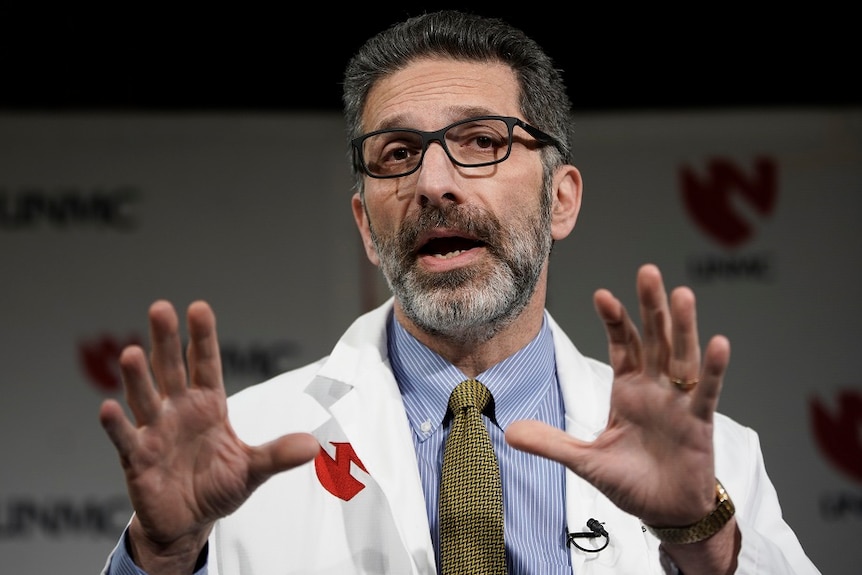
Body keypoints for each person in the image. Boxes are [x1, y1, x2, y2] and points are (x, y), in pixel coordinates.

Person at [98, 9, 820, 575]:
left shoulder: (717, 462)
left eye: (482, 140)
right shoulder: (247, 444)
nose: (433, 182)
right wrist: (163, 556)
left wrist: (703, 544)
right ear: (364, 223)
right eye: (397, 154)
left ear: (560, 198)